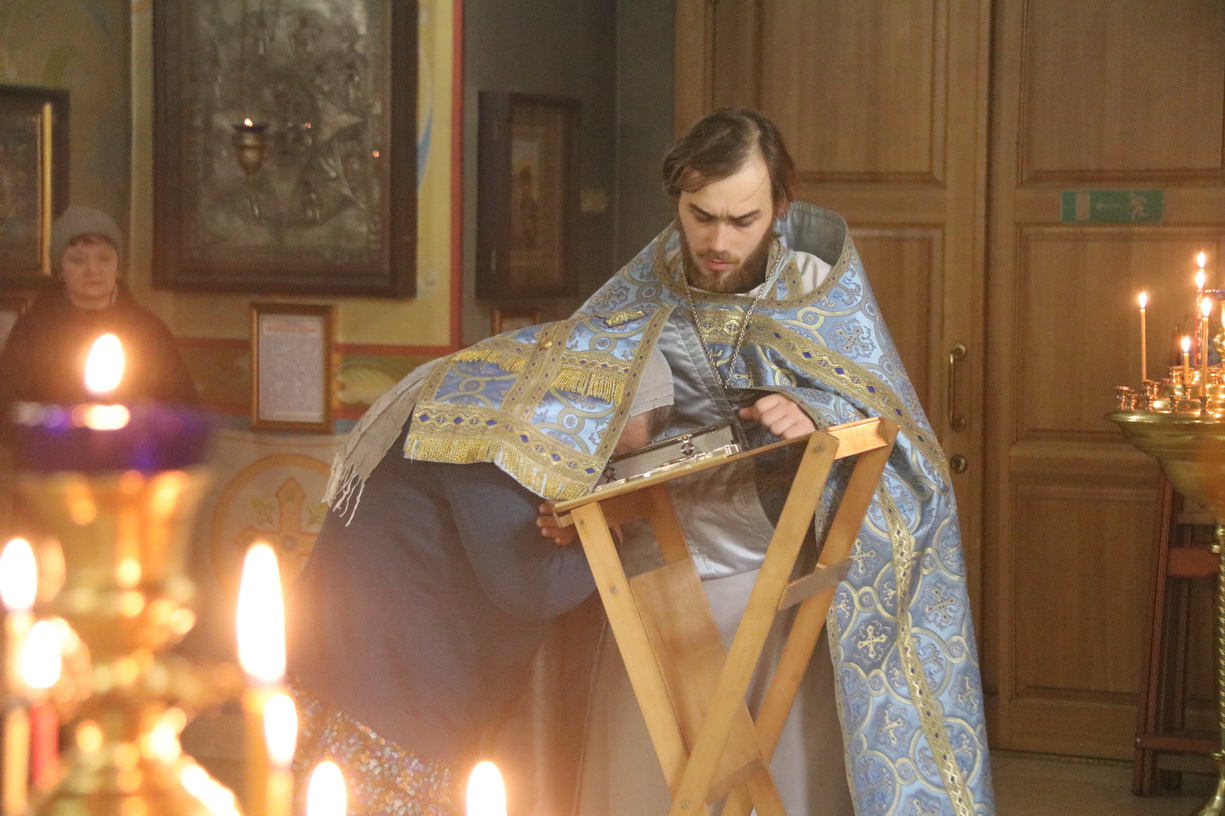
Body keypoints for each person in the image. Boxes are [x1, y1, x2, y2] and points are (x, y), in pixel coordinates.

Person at [567, 107, 996, 815]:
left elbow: (890, 425)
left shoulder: (815, 286)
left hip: (778, 560)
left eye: (743, 220)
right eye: (700, 216)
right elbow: (568, 405)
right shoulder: (640, 289)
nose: (717, 241)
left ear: (781, 207)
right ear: (677, 199)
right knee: (653, 770)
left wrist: (814, 411)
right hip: (656, 562)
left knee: (781, 767)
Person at [286, 310, 674, 816]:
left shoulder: (489, 385)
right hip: (386, 691)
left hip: (353, 666)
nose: (598, 467)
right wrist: (611, 534)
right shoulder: (489, 420)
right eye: (603, 450)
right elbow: (531, 588)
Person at [0, 205, 199, 409]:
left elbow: (183, 408)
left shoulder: (149, 330)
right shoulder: (33, 329)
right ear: (60, 269)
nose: (93, 270)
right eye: (78, 261)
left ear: (117, 265)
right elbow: (8, 407)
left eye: (104, 259)